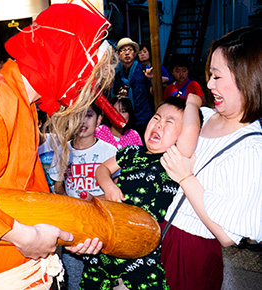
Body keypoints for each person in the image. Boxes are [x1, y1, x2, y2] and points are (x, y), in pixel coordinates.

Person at [0, 2, 118, 289]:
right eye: (88, 70)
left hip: (27, 269)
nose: (89, 85)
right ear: (64, 56)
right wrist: (22, 236)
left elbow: (29, 199)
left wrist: (68, 232)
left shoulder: (23, 104)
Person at [160, 26, 262, 290]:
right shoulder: (207, 116)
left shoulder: (251, 150)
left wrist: (186, 177)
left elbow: (228, 235)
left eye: (217, 76)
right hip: (168, 233)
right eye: (209, 75)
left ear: (247, 78)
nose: (209, 84)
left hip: (195, 251)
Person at [81, 95, 203, 289]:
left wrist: (192, 104)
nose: (158, 124)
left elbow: (190, 134)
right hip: (108, 241)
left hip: (144, 253)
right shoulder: (131, 151)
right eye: (156, 117)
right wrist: (110, 187)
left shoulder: (174, 159)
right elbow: (102, 169)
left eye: (169, 122)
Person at [50, 103, 116, 290]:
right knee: (74, 279)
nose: (81, 122)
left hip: (102, 225)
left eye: (88, 115)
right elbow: (58, 189)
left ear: (99, 119)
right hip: (74, 227)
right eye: (76, 116)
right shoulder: (62, 150)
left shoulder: (109, 151)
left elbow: (117, 191)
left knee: (103, 280)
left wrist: (95, 200)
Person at [112, 37, 153, 139]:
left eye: (129, 50)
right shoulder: (118, 75)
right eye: (123, 50)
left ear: (135, 54)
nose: (127, 53)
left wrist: (153, 79)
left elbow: (153, 92)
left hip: (143, 117)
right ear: (119, 55)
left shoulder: (144, 69)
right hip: (127, 120)